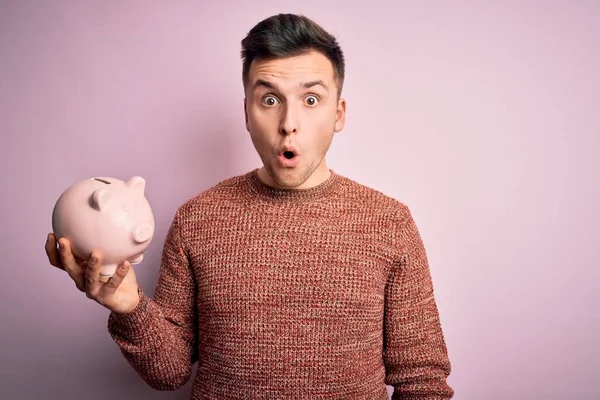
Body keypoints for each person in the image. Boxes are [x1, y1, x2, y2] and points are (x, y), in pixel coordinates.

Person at [45, 13, 453, 399]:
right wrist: (128, 307)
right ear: (246, 112)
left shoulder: (389, 222)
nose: (289, 122)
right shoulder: (197, 219)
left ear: (338, 114)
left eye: (311, 100)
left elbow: (423, 381)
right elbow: (170, 373)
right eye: (270, 100)